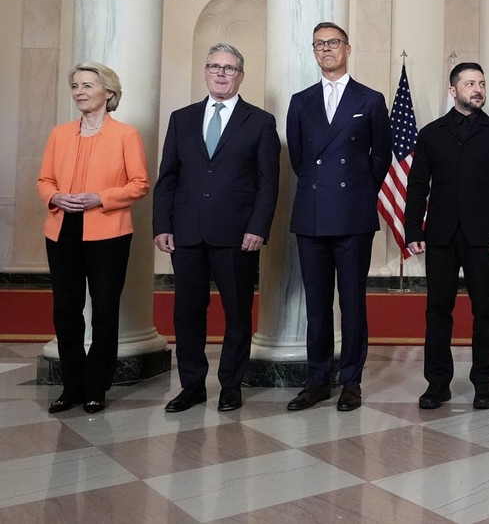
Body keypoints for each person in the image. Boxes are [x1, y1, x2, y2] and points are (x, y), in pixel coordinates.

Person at [153, 44, 280, 413]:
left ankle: (230, 384)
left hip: (238, 234)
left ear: (241, 75)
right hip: (186, 231)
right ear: (205, 72)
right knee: (187, 312)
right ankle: (192, 385)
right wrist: (162, 224)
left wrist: (258, 226)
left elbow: (268, 182)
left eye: (229, 68)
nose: (221, 74)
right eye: (214, 67)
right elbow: (168, 177)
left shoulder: (259, 121)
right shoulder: (182, 118)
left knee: (237, 312)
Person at [286, 22, 390, 412]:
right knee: (316, 304)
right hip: (312, 213)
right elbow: (299, 159)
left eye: (332, 43)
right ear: (314, 52)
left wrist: (357, 190)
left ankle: (351, 381)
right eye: (319, 45)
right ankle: (317, 380)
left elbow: (380, 158)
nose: (326, 50)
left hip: (353, 213)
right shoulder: (301, 100)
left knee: (352, 302)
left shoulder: (371, 99)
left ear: (347, 49)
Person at [405, 62, 489, 410]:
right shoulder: (431, 133)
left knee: (485, 310)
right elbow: (416, 187)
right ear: (453, 91)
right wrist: (413, 229)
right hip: (439, 235)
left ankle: (484, 382)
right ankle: (437, 383)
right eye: (470, 83)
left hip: (484, 238)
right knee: (437, 310)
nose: (478, 89)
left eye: (482, 83)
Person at [37, 63, 150, 414]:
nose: (79, 91)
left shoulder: (126, 135)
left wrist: (100, 198)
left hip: (108, 233)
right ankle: (71, 386)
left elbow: (140, 183)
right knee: (66, 311)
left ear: (109, 93)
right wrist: (54, 197)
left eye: (87, 85)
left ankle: (96, 387)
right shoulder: (59, 134)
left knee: (104, 311)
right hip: (61, 231)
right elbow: (44, 181)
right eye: (75, 86)